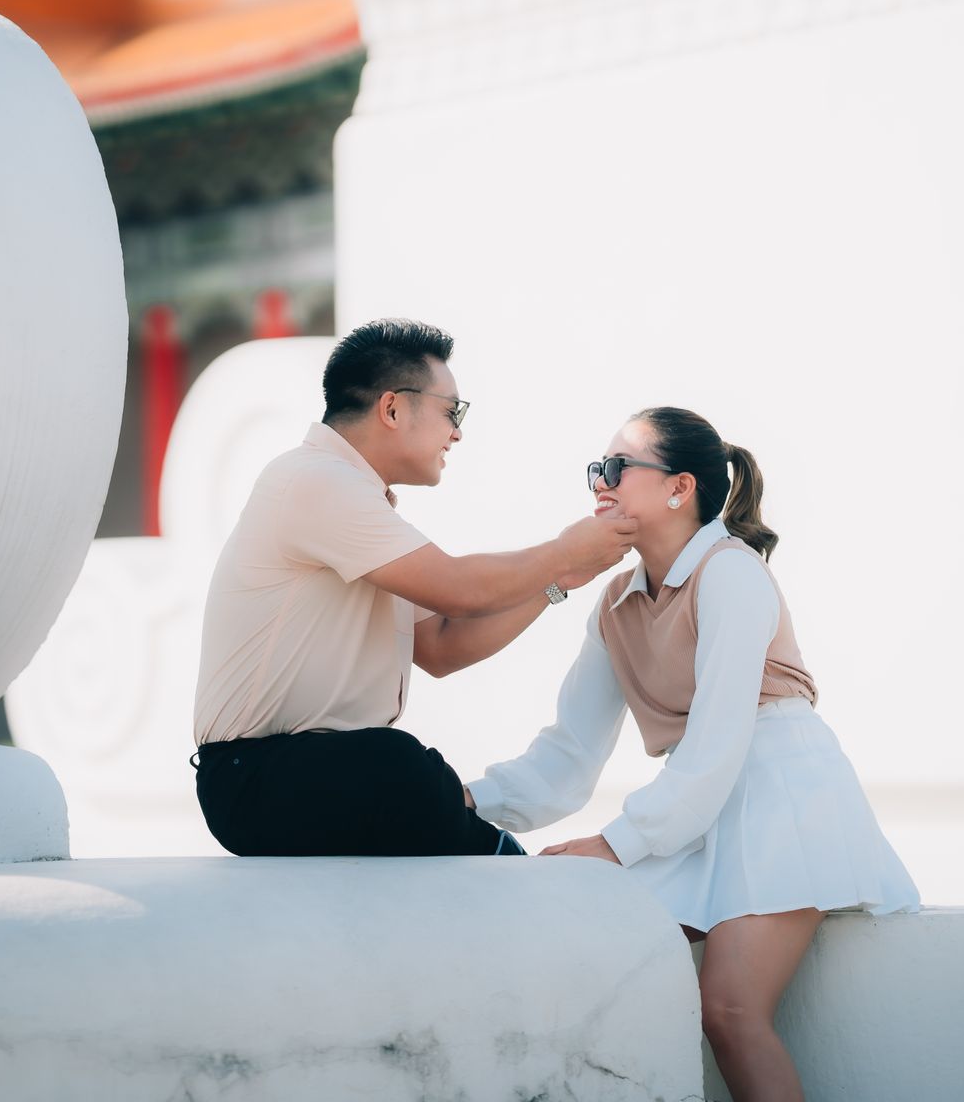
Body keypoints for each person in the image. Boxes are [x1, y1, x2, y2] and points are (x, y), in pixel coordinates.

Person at [465, 406, 920, 1102]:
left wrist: (614, 846)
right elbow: (568, 756)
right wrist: (460, 802)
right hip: (698, 806)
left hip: (783, 798)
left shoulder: (731, 572)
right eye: (596, 470)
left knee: (731, 1011)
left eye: (617, 467)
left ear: (680, 488)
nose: (600, 483)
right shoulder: (615, 602)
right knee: (600, 961)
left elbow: (717, 744)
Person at [191, 318, 638, 857]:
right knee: (400, 766)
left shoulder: (358, 503)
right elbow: (457, 589)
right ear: (393, 409)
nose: (458, 433)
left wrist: (556, 582)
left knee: (401, 768)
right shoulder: (315, 480)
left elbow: (442, 646)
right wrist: (564, 551)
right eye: (453, 412)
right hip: (257, 778)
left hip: (313, 772)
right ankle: (501, 860)